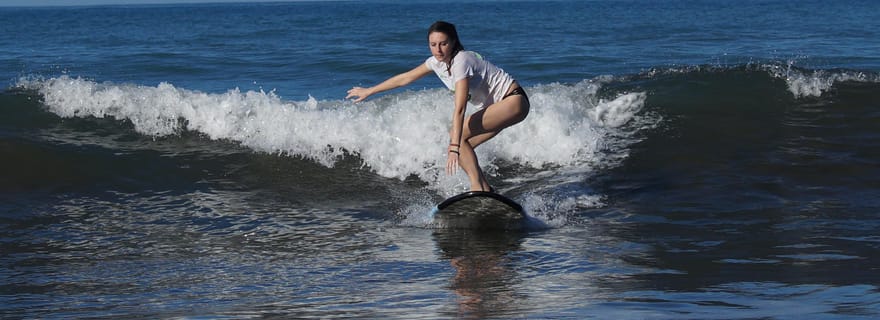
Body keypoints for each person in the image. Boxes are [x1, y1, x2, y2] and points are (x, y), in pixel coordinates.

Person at [346, 21, 530, 192]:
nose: (438, 50)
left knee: (456, 140)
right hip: (502, 108)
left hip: (513, 100)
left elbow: (459, 109)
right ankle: (486, 190)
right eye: (433, 45)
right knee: (463, 149)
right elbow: (405, 78)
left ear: (453, 42)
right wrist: (370, 90)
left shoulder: (461, 61)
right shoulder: (435, 63)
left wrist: (454, 146)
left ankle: (477, 189)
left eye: (443, 43)